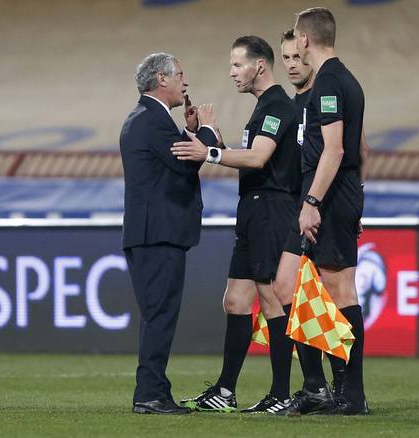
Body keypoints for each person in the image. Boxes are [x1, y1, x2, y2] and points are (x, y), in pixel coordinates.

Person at [171, 35, 300, 414]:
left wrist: (209, 153)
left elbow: (259, 159)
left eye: (237, 65)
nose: (231, 73)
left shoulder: (277, 105)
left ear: (259, 65)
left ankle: (281, 393)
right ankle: (225, 391)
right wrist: (206, 134)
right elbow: (247, 155)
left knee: (271, 298)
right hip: (253, 209)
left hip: (272, 211)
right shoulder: (263, 107)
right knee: (236, 300)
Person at [120, 52, 218, 415]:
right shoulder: (152, 121)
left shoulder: (146, 119)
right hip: (157, 234)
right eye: (180, 75)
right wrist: (206, 129)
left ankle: (153, 391)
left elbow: (175, 159)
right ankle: (150, 394)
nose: (185, 82)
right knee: (160, 314)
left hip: (150, 233)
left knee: (156, 314)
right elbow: (185, 165)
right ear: (161, 79)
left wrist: (190, 131)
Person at [293, 7, 370, 415]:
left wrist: (312, 202)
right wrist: (356, 197)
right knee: (326, 291)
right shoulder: (348, 80)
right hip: (343, 194)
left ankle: (352, 395)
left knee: (340, 291)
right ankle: (343, 391)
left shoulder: (327, 82)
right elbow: (363, 149)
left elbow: (336, 149)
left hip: (330, 195)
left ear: (304, 40)